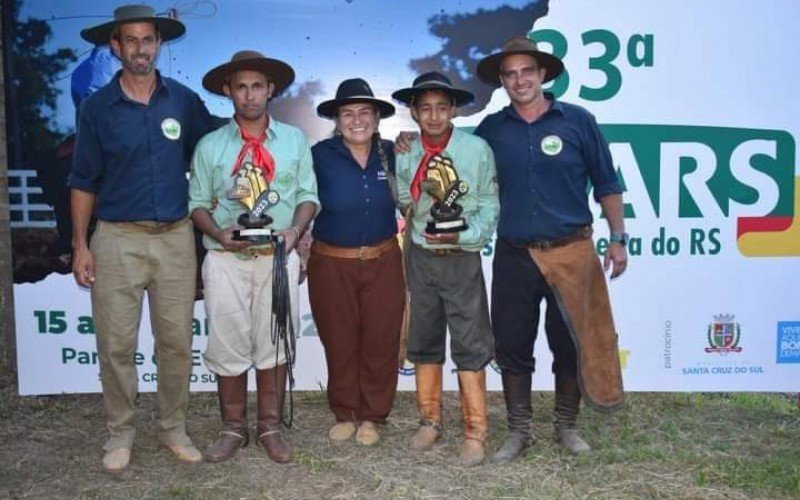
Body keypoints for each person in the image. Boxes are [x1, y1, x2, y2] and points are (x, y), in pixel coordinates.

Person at [69, 4, 221, 472]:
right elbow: (82, 179)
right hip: (116, 238)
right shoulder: (97, 108)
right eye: (129, 40)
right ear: (115, 47)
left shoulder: (182, 100)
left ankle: (173, 428)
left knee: (175, 342)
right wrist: (80, 244)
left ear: (159, 44)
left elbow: (215, 143)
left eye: (147, 39)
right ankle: (120, 433)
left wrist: (260, 126)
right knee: (116, 343)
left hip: (176, 238)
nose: (140, 48)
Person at [474, 36, 626, 460]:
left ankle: (567, 426)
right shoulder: (491, 130)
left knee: (571, 343)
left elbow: (608, 183)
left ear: (543, 74)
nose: (519, 80)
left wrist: (618, 238)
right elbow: (454, 156)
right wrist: (410, 143)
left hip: (572, 252)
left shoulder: (578, 121)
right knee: (512, 343)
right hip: (514, 254)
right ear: (502, 81)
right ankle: (518, 432)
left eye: (527, 71)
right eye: (510, 74)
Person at [188, 50, 319, 464]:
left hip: (277, 259)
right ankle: (231, 428)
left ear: (271, 90)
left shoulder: (295, 140)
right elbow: (196, 203)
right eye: (240, 86)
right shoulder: (210, 145)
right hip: (225, 259)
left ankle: (269, 426)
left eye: (257, 86)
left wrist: (296, 232)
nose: (249, 95)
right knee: (226, 339)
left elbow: (308, 196)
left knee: (275, 340)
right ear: (228, 91)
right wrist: (218, 233)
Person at [393, 72, 499, 466]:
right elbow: (404, 198)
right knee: (424, 335)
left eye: (441, 107)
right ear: (414, 112)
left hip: (461, 256)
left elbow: (489, 202)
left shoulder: (477, 149)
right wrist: (400, 151)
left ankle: (475, 431)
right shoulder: (405, 150)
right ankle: (429, 419)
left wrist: (465, 235)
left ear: (454, 109)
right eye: (425, 109)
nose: (434, 116)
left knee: (470, 340)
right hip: (420, 255)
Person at [308, 78, 405, 446]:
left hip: (383, 260)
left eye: (365, 112)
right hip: (331, 263)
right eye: (347, 113)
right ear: (337, 119)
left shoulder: (395, 153)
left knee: (381, 338)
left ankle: (374, 416)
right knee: (340, 338)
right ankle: (346, 412)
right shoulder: (318, 155)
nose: (357, 120)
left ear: (378, 118)